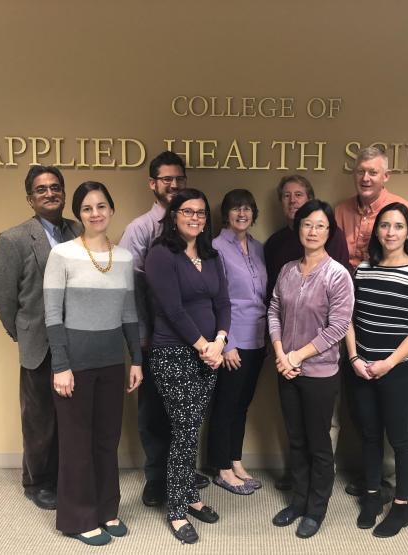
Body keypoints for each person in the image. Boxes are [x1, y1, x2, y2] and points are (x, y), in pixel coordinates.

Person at [43, 181, 142, 546]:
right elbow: (52, 315)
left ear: (112, 211)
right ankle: (79, 517)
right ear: (79, 214)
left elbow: (130, 313)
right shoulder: (63, 255)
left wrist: (136, 360)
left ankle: (107, 509)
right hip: (75, 365)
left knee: (106, 440)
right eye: (87, 208)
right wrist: (61, 365)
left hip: (113, 362)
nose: (95, 213)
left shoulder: (125, 258)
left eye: (102, 206)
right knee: (76, 442)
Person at [117, 151, 210, 507]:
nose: (173, 185)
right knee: (154, 412)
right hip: (153, 337)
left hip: (192, 340)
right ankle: (157, 479)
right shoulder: (140, 230)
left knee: (185, 412)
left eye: (179, 179)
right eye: (166, 179)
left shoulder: (198, 230)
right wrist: (140, 336)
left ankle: (181, 473)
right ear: (152, 184)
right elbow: (129, 289)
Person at [0, 165, 81, 510]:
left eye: (55, 187)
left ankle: (65, 475)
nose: (50, 193)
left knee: (70, 415)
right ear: (30, 198)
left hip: (76, 339)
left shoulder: (78, 230)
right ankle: (37, 481)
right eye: (41, 189)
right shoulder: (12, 239)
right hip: (39, 342)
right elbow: (1, 294)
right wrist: (21, 331)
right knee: (40, 417)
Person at [345, 202, 408, 537]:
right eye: (385, 225)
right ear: (377, 230)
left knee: (399, 439)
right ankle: (372, 497)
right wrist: (355, 358)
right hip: (362, 370)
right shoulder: (363, 270)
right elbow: (349, 319)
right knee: (369, 436)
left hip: (398, 370)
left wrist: (388, 363)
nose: (390, 232)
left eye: (398, 226)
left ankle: (401, 506)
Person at [145, 188, 231, 544]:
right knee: (183, 431)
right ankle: (178, 509)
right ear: (174, 215)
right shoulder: (161, 254)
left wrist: (220, 341)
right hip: (175, 354)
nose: (195, 218)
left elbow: (224, 302)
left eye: (201, 213)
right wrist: (203, 347)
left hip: (210, 354)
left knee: (192, 429)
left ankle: (192, 496)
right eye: (188, 211)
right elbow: (171, 309)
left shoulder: (211, 255)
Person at [335, 146, 408, 499]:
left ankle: (394, 493)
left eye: (373, 172)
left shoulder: (401, 209)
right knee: (358, 407)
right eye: (361, 171)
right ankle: (369, 482)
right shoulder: (340, 210)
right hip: (350, 313)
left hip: (392, 322)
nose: (366, 177)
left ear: (386, 176)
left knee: (396, 424)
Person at [268, 199, 354, 539]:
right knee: (296, 439)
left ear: (328, 231)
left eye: (320, 225)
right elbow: (273, 309)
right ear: (298, 229)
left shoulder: (338, 275)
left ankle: (315, 510)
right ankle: (298, 501)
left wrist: (296, 356)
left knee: (318, 443)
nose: (313, 231)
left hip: (318, 373)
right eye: (307, 224)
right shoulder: (288, 270)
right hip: (286, 369)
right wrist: (280, 353)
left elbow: (337, 327)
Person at [207, 189, 267, 495]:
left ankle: (235, 459)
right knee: (226, 405)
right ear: (226, 214)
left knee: (242, 405)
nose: (242, 213)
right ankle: (221, 468)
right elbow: (217, 299)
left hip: (258, 338)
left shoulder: (257, 247)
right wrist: (226, 343)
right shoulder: (216, 247)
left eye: (247, 208)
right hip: (233, 339)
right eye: (235, 209)